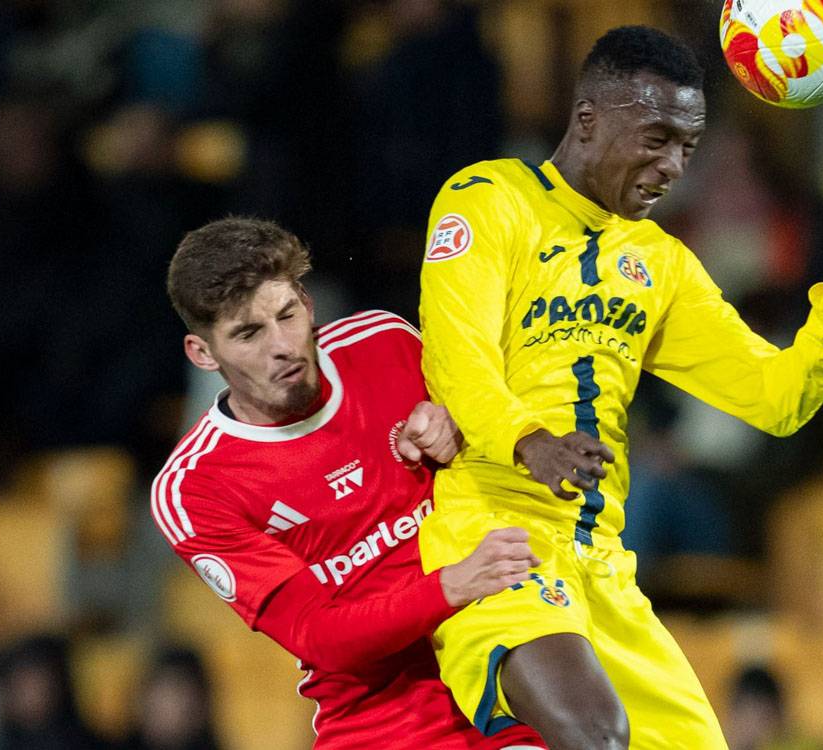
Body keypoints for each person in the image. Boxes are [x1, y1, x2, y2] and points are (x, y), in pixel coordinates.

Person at [417, 25, 823, 750]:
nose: (674, 166)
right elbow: (460, 364)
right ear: (589, 120)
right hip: (495, 541)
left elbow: (777, 398)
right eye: (657, 138)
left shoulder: (660, 264)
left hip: (601, 565)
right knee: (596, 733)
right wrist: (528, 441)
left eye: (688, 147)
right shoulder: (487, 201)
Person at [154, 218, 545, 749]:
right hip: (388, 722)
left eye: (287, 315)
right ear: (202, 353)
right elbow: (320, 637)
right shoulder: (195, 487)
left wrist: (461, 426)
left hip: (514, 666)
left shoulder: (385, 343)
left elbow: (518, 437)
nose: (283, 346)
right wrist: (453, 585)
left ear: (308, 304)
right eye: (248, 333)